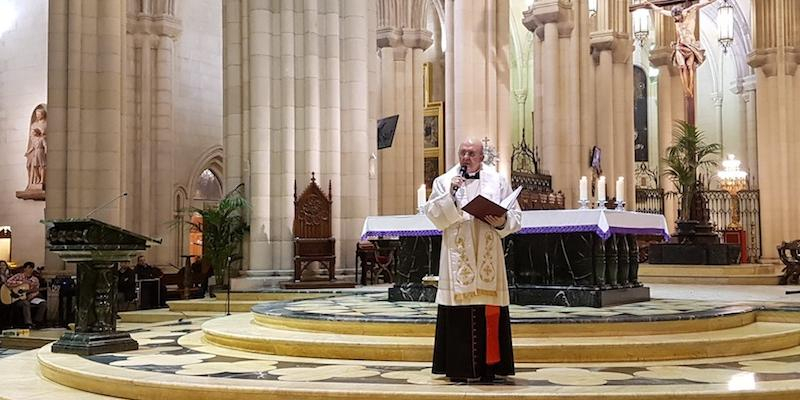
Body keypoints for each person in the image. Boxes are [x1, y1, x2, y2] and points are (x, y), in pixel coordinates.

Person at [423, 138, 522, 383]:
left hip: (487, 255)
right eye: (463, 153)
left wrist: (502, 222)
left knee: (489, 309)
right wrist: (450, 195)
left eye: (471, 153)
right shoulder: (444, 181)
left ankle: (490, 369)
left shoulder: (498, 180)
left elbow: (516, 216)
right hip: (457, 255)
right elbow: (434, 216)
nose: (466, 157)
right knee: (458, 313)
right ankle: (459, 368)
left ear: (481, 157)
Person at [642, 0, 718, 95]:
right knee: (682, 67)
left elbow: (699, 5)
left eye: (677, 17)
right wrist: (651, 5)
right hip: (680, 46)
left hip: (690, 46)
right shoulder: (675, 18)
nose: (676, 19)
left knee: (690, 67)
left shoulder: (688, 12)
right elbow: (661, 11)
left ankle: (690, 86)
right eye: (675, 18)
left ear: (680, 13)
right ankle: (685, 88)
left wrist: (711, 1)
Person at [6, 262, 47, 328]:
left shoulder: (35, 279)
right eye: (29, 268)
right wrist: (21, 282)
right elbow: (8, 282)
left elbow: (36, 290)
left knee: (43, 303)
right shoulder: (18, 276)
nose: (30, 269)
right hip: (18, 298)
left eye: (32, 268)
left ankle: (37, 322)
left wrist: (32, 295)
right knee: (26, 303)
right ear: (24, 268)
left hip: (30, 298)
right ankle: (28, 323)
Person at [24, 104, 47, 189]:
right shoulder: (34, 124)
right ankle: (36, 179)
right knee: (32, 165)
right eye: (36, 115)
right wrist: (28, 152)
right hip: (35, 149)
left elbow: (47, 139)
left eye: (39, 114)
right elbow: (32, 140)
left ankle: (42, 180)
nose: (37, 116)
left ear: (43, 115)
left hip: (41, 150)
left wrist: (46, 150)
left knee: (42, 165)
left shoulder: (46, 124)